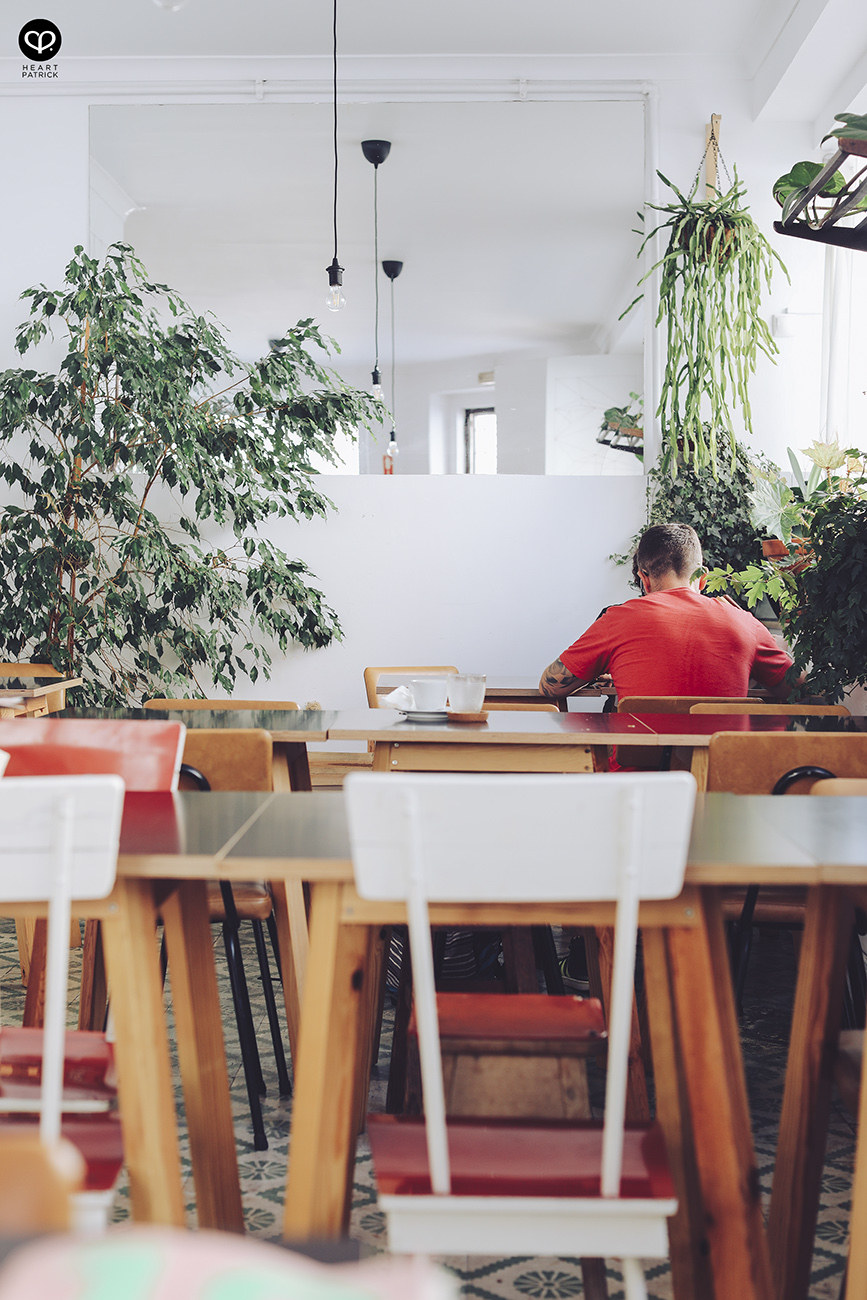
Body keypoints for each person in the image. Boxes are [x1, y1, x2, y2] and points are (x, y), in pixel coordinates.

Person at [539, 522, 794, 703]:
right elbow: (796, 689)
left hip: (640, 765)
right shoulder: (745, 623)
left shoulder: (617, 620)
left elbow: (550, 687)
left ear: (644, 579)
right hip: (718, 764)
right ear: (703, 577)